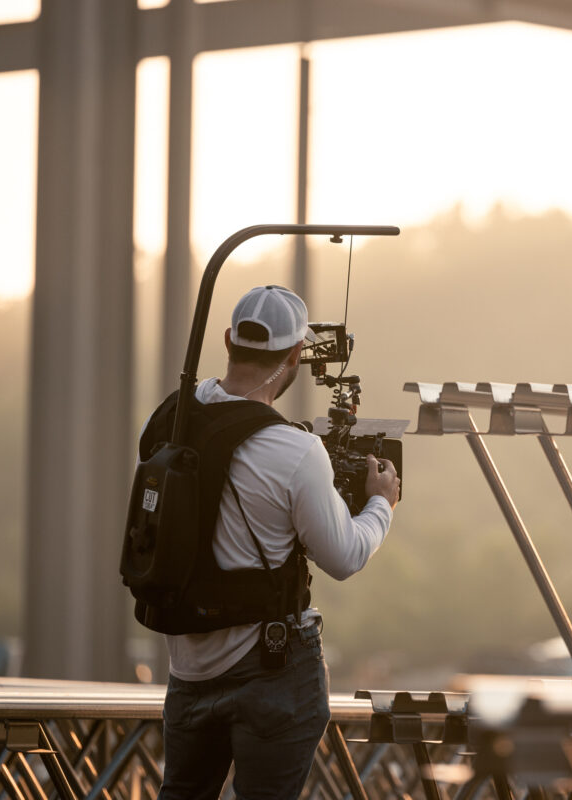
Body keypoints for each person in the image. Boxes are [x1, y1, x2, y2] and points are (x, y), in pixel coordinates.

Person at [152, 285, 400, 799]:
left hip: (188, 665)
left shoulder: (170, 420)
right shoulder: (296, 449)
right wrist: (380, 504)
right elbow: (345, 555)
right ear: (294, 355)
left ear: (228, 339)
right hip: (272, 669)